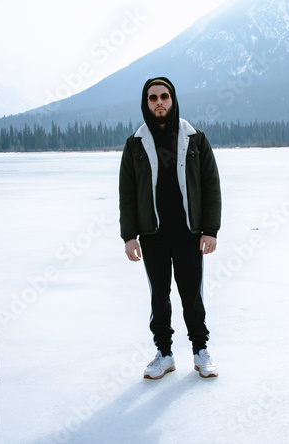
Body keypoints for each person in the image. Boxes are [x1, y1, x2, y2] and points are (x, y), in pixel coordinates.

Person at [119, 77, 221, 379]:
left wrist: (210, 229)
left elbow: (210, 185)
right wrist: (129, 236)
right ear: (146, 103)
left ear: (173, 100)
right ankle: (164, 354)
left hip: (189, 234)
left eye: (164, 96)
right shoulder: (135, 143)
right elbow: (127, 193)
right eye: (153, 98)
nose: (159, 102)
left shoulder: (195, 139)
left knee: (192, 296)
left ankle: (200, 351)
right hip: (153, 236)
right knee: (159, 298)